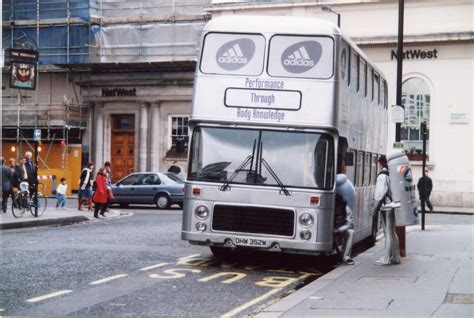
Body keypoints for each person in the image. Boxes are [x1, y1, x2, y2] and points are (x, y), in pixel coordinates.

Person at [370, 155, 401, 266]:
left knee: (387, 233)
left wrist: (374, 209)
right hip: (393, 205)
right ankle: (396, 257)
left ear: (381, 163)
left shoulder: (382, 176)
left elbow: (379, 194)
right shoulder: (392, 174)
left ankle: (386, 258)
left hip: (385, 206)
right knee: (392, 232)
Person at [333, 193, 355, 265]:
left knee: (351, 232)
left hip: (340, 228)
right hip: (329, 229)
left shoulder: (346, 209)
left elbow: (350, 224)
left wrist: (339, 230)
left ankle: (346, 257)